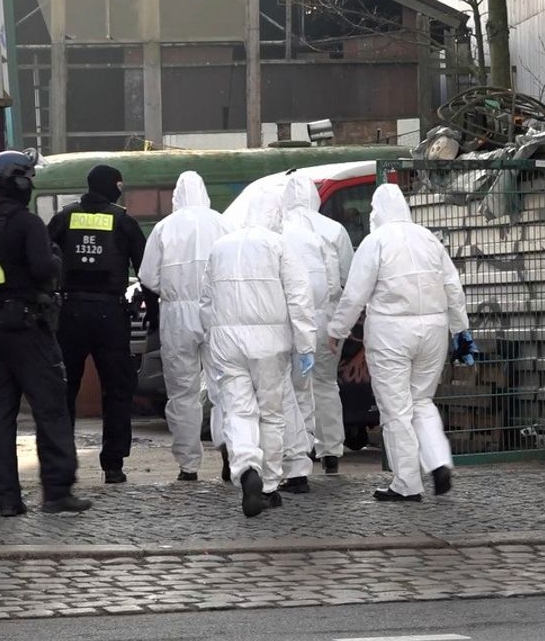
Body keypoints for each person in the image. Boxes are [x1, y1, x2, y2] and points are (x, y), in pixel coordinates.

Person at [0, 149, 91, 516]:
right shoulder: (28, 223)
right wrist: (54, 259)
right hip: (29, 328)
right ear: (19, 182)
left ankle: (7, 499)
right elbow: (41, 270)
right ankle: (57, 492)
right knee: (50, 410)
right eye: (29, 178)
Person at [327, 184, 470, 501]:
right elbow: (452, 285)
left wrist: (337, 330)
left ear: (376, 212)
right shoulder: (428, 238)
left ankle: (406, 483)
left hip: (392, 331)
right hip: (434, 329)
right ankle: (439, 463)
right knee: (421, 402)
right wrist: (461, 329)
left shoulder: (375, 242)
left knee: (396, 409)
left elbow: (355, 294)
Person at [201, 187, 317, 517]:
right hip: (270, 346)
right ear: (275, 215)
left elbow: (206, 302)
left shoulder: (221, 247)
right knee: (271, 414)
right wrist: (305, 345)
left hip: (227, 345)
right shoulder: (279, 246)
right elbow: (299, 298)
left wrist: (214, 336)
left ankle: (246, 471)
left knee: (238, 411)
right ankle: (268, 485)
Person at [48, 164, 149, 484]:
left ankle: (63, 464)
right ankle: (113, 465)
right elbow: (146, 272)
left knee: (64, 390)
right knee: (117, 390)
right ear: (113, 187)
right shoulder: (124, 221)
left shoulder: (63, 218)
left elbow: (43, 262)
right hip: (110, 315)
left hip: (69, 313)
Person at [137, 171, 230, 481]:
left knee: (182, 391)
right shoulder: (221, 222)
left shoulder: (164, 227)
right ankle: (232, 452)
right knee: (225, 386)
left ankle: (188, 466)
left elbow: (148, 276)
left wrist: (172, 291)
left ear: (176, 196)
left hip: (177, 314)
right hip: (216, 311)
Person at [278, 178, 340, 494]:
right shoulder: (326, 232)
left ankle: (292, 459)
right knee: (323, 385)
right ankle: (328, 452)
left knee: (284, 393)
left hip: (282, 325)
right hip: (322, 319)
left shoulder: (276, 233)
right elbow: (336, 281)